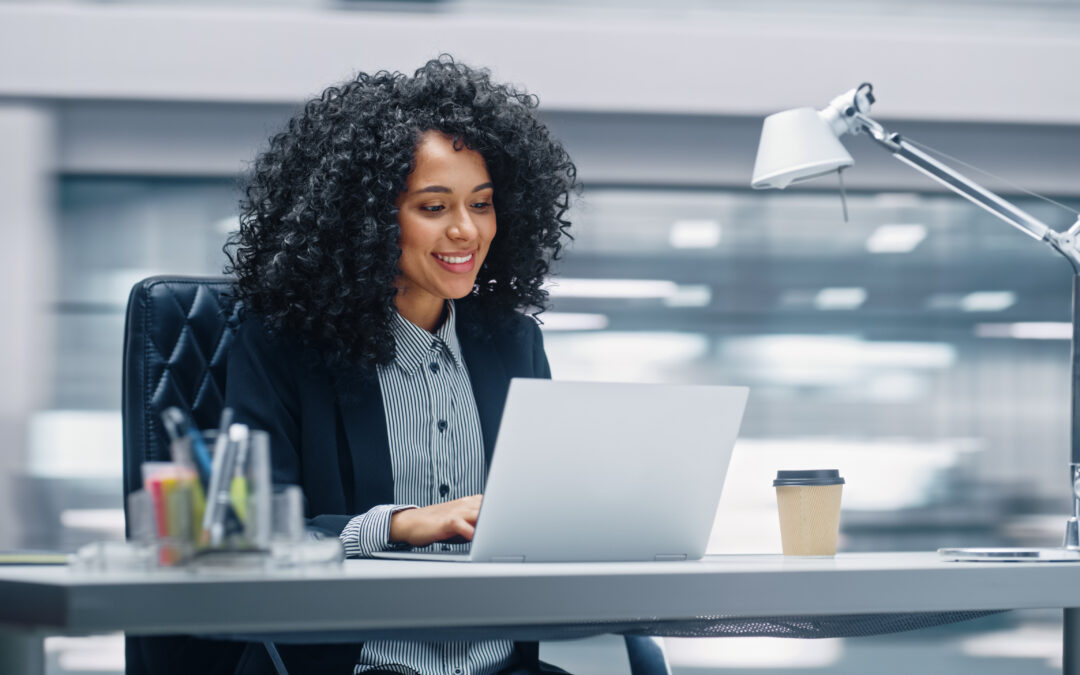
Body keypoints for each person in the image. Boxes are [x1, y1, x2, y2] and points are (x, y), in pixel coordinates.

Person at [221, 56, 578, 675]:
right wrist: (396, 525)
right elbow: (244, 536)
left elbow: (537, 512)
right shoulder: (283, 344)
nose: (467, 230)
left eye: (483, 203)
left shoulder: (512, 344)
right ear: (364, 219)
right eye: (434, 208)